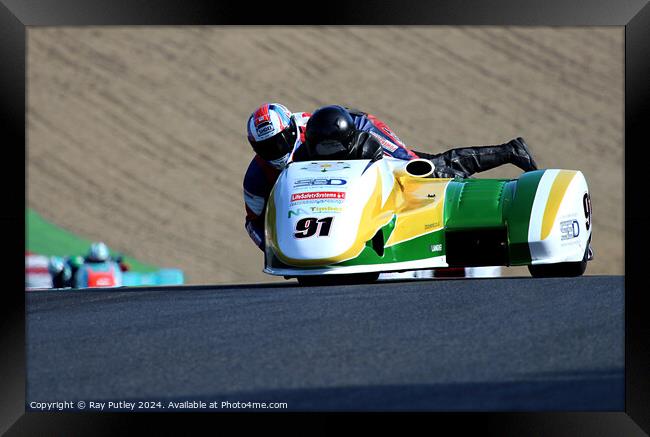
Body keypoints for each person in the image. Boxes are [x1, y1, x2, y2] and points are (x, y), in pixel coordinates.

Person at [243, 103, 537, 250]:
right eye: (267, 147)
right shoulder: (256, 178)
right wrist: (275, 249)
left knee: (419, 169)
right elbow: (253, 223)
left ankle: (506, 156)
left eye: (280, 141)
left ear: (292, 131)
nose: (276, 150)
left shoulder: (309, 131)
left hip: (356, 131)